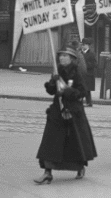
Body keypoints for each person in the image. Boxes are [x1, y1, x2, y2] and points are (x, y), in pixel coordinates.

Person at [35, 46, 97, 184]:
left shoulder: (77, 72)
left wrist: (67, 91)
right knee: (50, 141)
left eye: (65, 56)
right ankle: (47, 172)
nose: (62, 58)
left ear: (72, 59)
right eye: (60, 56)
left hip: (73, 112)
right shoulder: (57, 71)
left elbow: (82, 92)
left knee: (74, 142)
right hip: (57, 111)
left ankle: (79, 166)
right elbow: (51, 92)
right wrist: (52, 83)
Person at [78, 38, 96, 105]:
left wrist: (85, 65)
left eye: (84, 45)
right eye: (82, 45)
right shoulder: (79, 53)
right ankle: (80, 101)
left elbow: (95, 64)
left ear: (88, 45)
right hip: (81, 73)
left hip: (89, 73)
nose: (83, 46)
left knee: (87, 89)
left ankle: (89, 102)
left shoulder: (92, 53)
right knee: (81, 87)